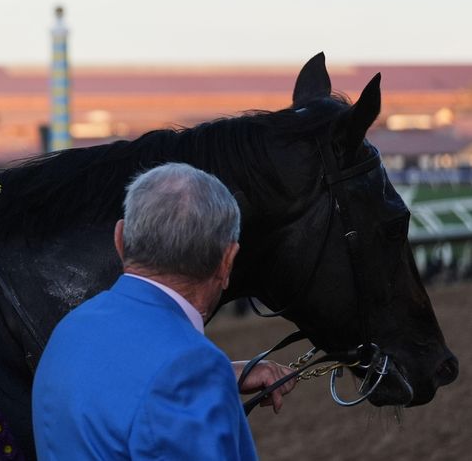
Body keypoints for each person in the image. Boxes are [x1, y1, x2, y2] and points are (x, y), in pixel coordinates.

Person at [32, 163, 295, 460]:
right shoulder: (192, 369)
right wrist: (206, 379)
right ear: (227, 261)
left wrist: (220, 378)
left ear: (119, 239)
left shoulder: (70, 329)